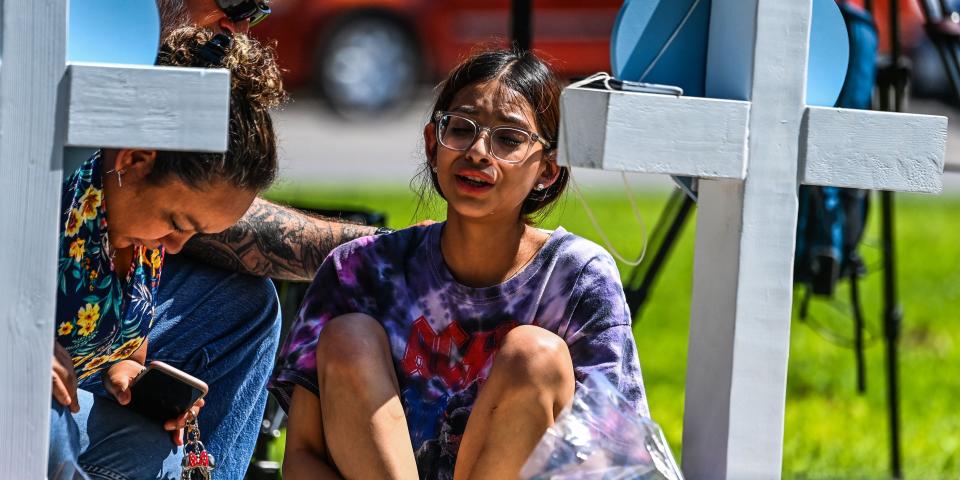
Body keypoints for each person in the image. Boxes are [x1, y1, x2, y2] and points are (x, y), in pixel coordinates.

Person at [270, 49, 649, 479]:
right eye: (462, 129)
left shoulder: (579, 278)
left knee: (535, 355)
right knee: (348, 336)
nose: (478, 152)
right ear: (434, 144)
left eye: (509, 139)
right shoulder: (357, 271)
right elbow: (301, 456)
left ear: (547, 169)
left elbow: (615, 460)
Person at [49, 27, 285, 480]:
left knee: (153, 452)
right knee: (52, 428)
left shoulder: (140, 235)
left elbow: (126, 349)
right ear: (135, 160)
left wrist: (126, 375)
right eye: (177, 223)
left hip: (63, 399)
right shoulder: (51, 193)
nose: (178, 246)